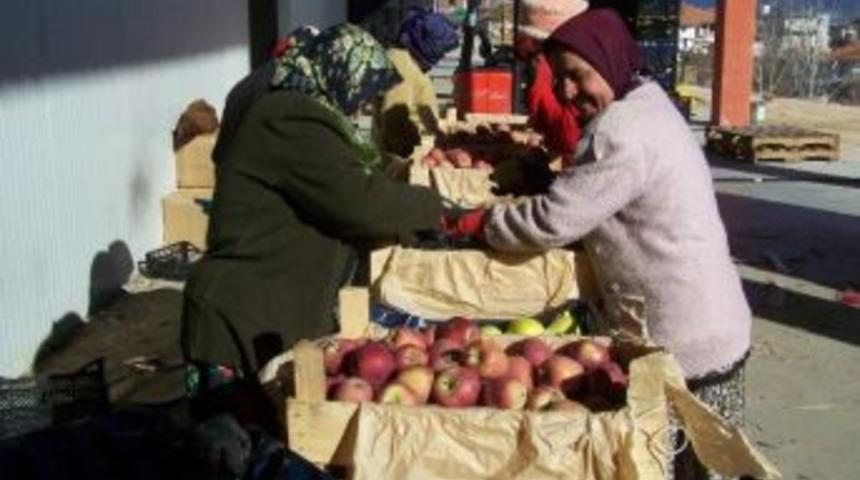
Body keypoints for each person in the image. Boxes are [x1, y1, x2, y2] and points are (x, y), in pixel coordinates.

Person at [448, 10, 752, 479]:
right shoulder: (647, 101)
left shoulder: (621, 131)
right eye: (561, 78)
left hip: (687, 342)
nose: (567, 92)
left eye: (577, 76)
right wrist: (550, 180)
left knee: (679, 465)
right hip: (712, 323)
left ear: (606, 60)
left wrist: (483, 223)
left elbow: (554, 220)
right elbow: (604, 196)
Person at [181, 24, 445, 423]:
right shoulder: (290, 116)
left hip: (266, 315)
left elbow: (348, 184)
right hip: (240, 323)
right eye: (361, 91)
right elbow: (356, 202)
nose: (359, 106)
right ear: (341, 72)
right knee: (230, 453)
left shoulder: (305, 113)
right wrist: (435, 208)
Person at [372, 7, 459, 158]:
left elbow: (423, 104)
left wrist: (438, 133)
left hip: (409, 148)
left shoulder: (414, 63)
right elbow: (394, 119)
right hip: (396, 157)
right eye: (440, 49)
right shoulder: (401, 62)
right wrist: (408, 152)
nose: (441, 55)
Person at [515, 0, 588, 162]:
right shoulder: (547, 64)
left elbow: (567, 133)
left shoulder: (552, 65)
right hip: (569, 144)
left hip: (572, 145)